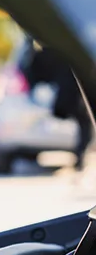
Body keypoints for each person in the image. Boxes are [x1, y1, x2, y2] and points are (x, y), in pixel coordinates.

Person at [23, 39, 93, 170]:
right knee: (85, 124)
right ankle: (80, 157)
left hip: (63, 100)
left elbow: (33, 74)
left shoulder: (47, 54)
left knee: (85, 123)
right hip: (73, 100)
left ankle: (80, 158)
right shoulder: (81, 51)